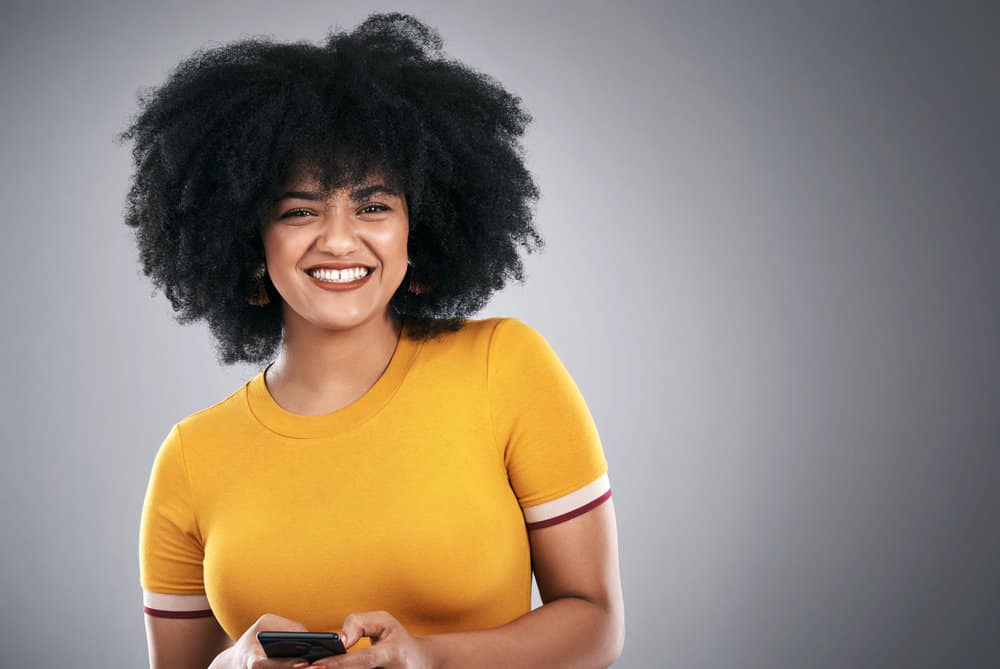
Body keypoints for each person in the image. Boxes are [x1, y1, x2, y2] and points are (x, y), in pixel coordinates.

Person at [119, 12, 624, 669]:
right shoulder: (190, 459)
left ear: (420, 228)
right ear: (248, 241)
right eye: (299, 209)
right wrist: (229, 666)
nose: (337, 238)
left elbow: (596, 625)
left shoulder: (505, 367)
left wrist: (428, 658)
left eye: (373, 205)